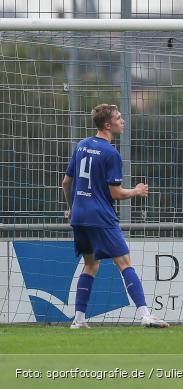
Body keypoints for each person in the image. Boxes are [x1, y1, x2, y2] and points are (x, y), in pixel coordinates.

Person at [62, 104, 168, 329]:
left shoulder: (81, 146)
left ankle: (78, 319)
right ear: (108, 125)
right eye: (119, 118)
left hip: (79, 215)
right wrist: (136, 191)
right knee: (124, 263)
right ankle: (145, 315)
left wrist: (71, 208)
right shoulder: (111, 153)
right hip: (100, 216)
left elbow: (66, 182)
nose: (123, 121)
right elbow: (116, 193)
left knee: (90, 265)